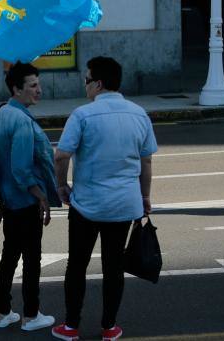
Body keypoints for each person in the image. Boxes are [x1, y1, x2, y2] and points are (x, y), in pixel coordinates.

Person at [51, 57, 157, 341]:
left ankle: (71, 326)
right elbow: (145, 161)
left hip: (87, 205)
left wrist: (61, 186)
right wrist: (144, 196)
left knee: (77, 265)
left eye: (86, 80)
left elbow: (61, 155)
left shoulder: (83, 115)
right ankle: (109, 327)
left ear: (98, 84)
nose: (84, 86)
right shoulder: (139, 114)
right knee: (113, 266)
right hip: (124, 206)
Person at [0, 62, 59, 332]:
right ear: (17, 89)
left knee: (10, 256)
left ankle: (2, 312)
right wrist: (41, 196)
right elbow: (21, 169)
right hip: (23, 201)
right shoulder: (20, 120)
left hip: (8, 199)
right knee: (32, 259)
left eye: (38, 85)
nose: (39, 90)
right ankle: (31, 315)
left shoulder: (3, 111)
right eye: (33, 86)